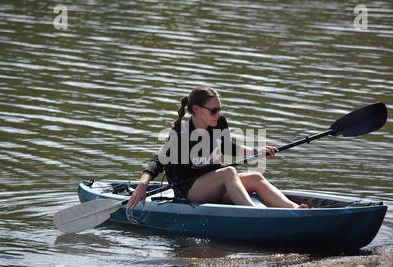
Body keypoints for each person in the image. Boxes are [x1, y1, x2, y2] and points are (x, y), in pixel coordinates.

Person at [127, 86, 308, 209]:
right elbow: (157, 161)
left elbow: (229, 147)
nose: (218, 114)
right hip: (189, 191)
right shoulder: (181, 133)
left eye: (220, 109)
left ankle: (294, 209)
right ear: (196, 110)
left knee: (255, 176)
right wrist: (142, 185)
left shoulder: (219, 123)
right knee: (229, 172)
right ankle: (254, 213)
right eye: (213, 110)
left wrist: (258, 152)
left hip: (214, 183)